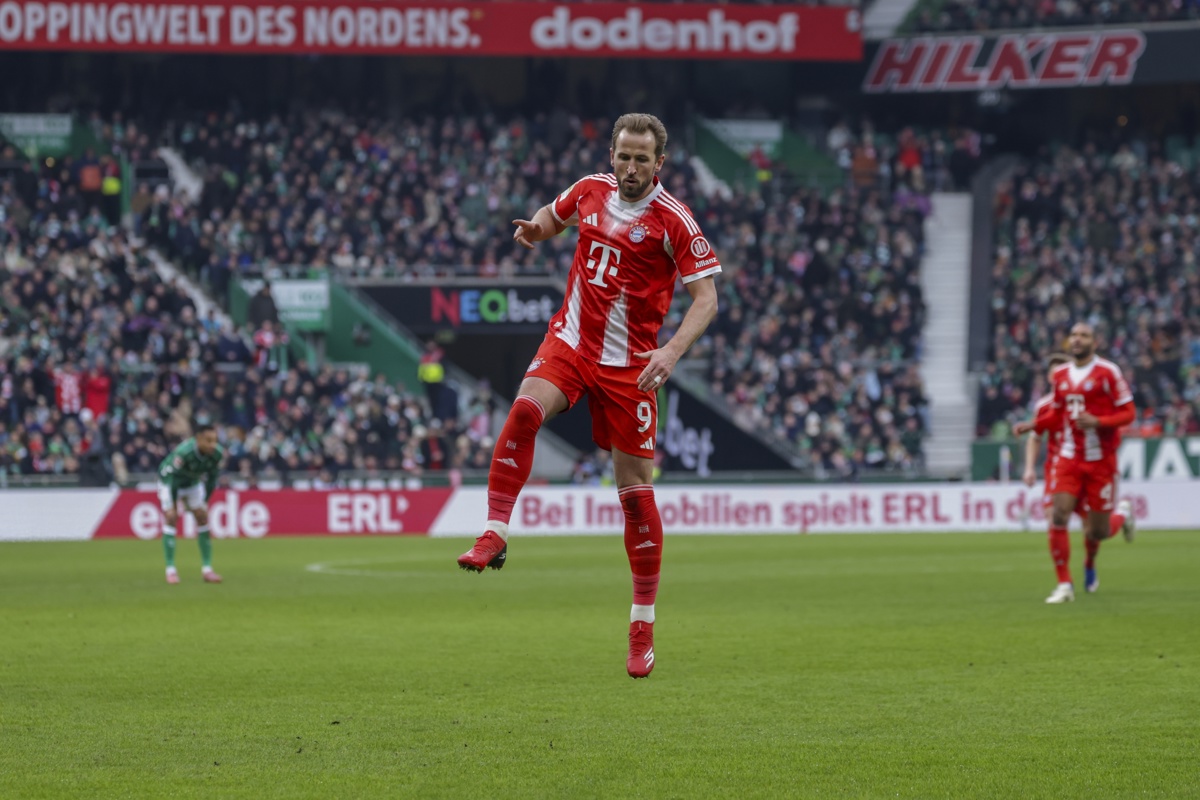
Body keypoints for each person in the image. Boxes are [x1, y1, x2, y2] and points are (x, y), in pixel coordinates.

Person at [456, 113, 721, 678]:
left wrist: (670, 353)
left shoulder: (675, 222)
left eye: (640, 159)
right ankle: (494, 532)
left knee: (634, 492)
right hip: (572, 343)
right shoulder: (590, 189)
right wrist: (533, 230)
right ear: (613, 154)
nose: (629, 167)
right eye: (623, 155)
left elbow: (706, 299)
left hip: (632, 367)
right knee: (526, 409)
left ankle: (642, 624)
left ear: (659, 164)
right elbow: (554, 220)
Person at [1014, 324, 1136, 604]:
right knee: (1058, 514)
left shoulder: (1108, 372)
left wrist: (1100, 422)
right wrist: (1034, 425)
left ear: (1095, 341)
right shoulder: (1060, 376)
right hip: (1069, 458)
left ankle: (1123, 516)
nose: (1077, 339)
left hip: (1101, 461)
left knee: (1097, 532)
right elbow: (1057, 414)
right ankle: (1064, 585)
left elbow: (1129, 413)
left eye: (1084, 335)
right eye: (1074, 335)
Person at [156, 422, 226, 585]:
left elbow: (212, 479)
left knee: (202, 516)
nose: (212, 445)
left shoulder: (216, 454)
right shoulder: (183, 453)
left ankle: (207, 569)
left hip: (192, 483)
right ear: (198, 439)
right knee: (171, 517)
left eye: (214, 440)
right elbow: (172, 480)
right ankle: (170, 570)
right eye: (208, 441)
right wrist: (173, 504)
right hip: (170, 481)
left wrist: (205, 502)